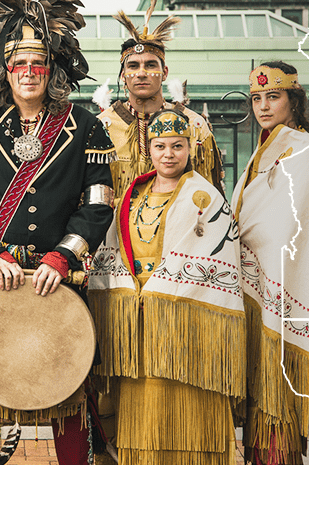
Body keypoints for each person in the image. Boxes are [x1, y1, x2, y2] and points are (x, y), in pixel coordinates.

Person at [0, 0, 115, 465]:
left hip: (56, 276)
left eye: (39, 63)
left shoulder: (87, 128)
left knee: (66, 392)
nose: (29, 71)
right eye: (19, 62)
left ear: (53, 69)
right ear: (4, 67)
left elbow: (98, 202)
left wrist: (65, 257)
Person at [88, 109, 245, 465]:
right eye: (160, 146)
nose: (168, 154)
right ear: (150, 149)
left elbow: (214, 260)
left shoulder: (206, 198)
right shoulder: (132, 194)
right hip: (136, 314)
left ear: (190, 148)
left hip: (184, 314)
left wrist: (161, 292)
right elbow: (113, 246)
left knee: (185, 395)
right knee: (141, 403)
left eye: (177, 146)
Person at [233, 61, 309, 465]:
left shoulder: (303, 149)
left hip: (285, 280)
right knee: (268, 392)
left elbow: (288, 226)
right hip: (265, 278)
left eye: (274, 97)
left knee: (278, 387)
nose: (264, 106)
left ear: (293, 99)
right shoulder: (271, 146)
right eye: (257, 98)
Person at [96, 9, 224, 198]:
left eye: (150, 65)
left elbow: (211, 194)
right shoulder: (102, 126)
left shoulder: (194, 125)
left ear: (164, 73)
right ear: (123, 76)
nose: (141, 73)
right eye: (133, 66)